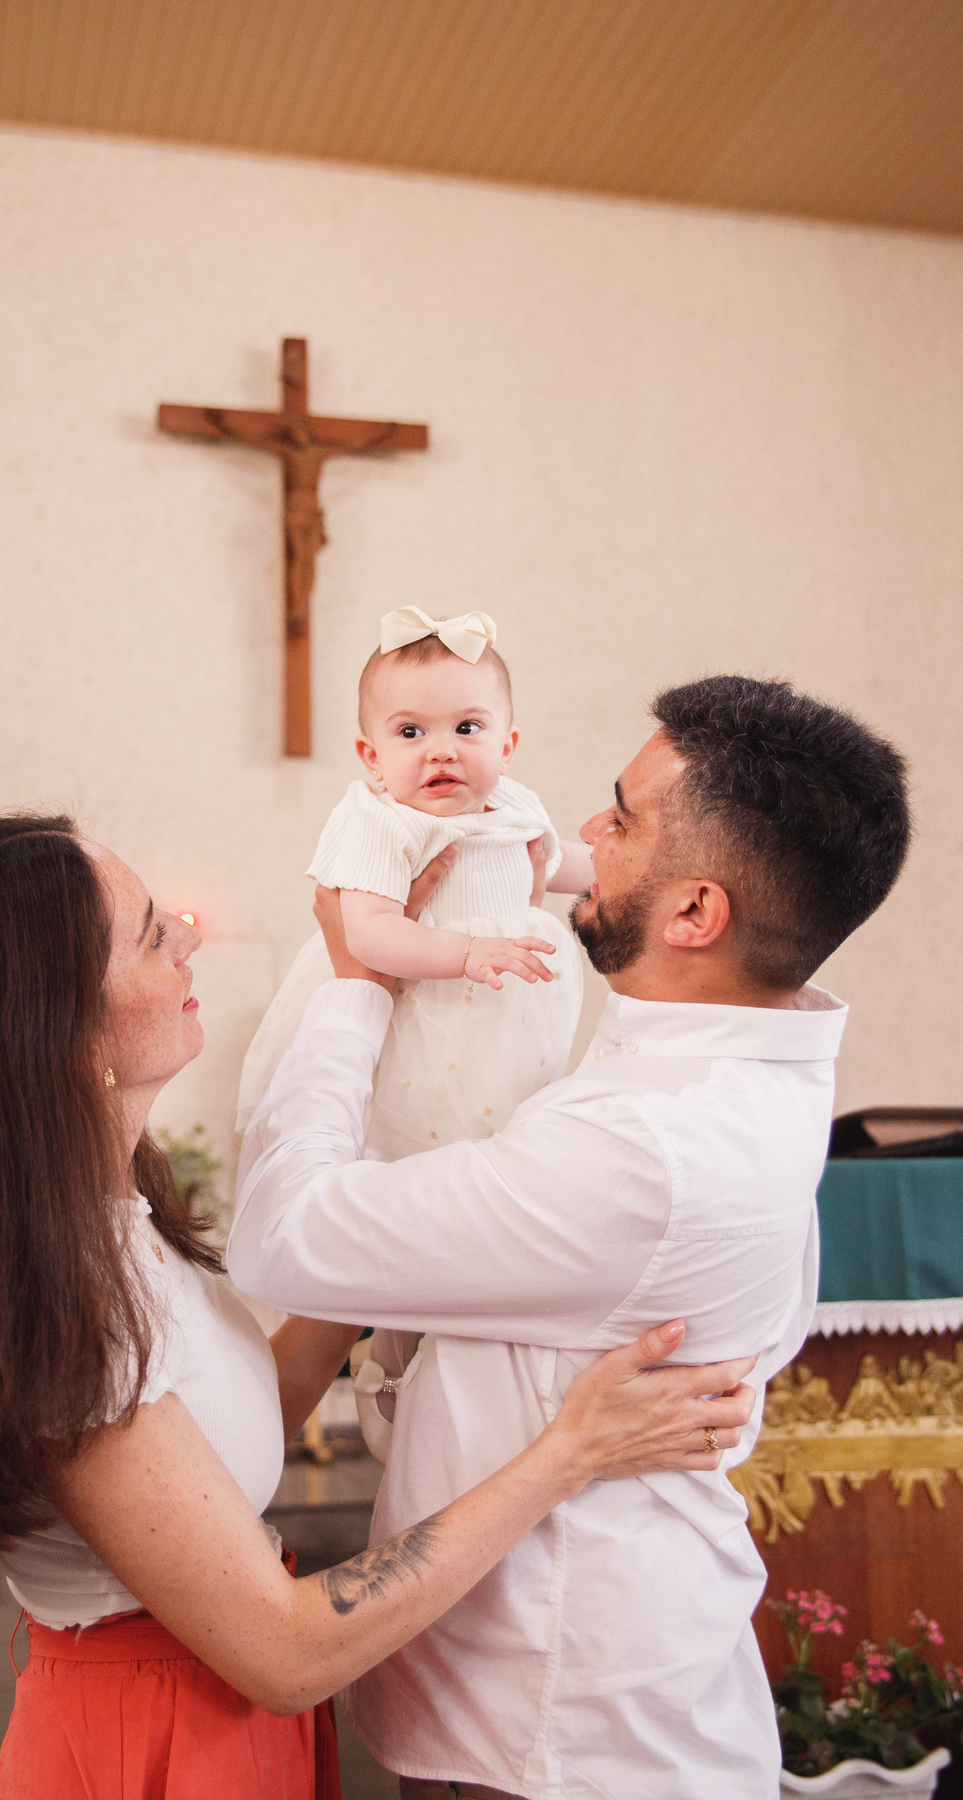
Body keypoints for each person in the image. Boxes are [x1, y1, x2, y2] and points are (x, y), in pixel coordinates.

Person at [0, 813, 756, 1800]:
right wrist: (572, 1452)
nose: (190, 936)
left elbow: (222, 1430)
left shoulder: (105, 1218)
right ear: (60, 1027)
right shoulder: (67, 1313)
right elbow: (286, 1652)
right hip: (154, 1742)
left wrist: (396, 1233)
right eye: (154, 933)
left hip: (207, 1713)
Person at [228, 674, 911, 1800]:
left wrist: (356, 984)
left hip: (559, 1726)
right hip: (597, 1676)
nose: (586, 831)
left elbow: (284, 1238)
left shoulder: (645, 1146)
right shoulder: (745, 1038)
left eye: (623, 818)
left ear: (697, 914)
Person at [236, 607, 594, 1454]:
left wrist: (635, 873)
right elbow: (368, 936)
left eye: (467, 726)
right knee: (406, 1198)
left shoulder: (515, 805)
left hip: (501, 1034)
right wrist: (467, 952)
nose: (442, 750)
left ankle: (451, 1389)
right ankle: (389, 1379)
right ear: (370, 755)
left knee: (483, 1207)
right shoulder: (375, 820)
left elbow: (567, 868)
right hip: (419, 1029)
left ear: (508, 744)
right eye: (411, 730)